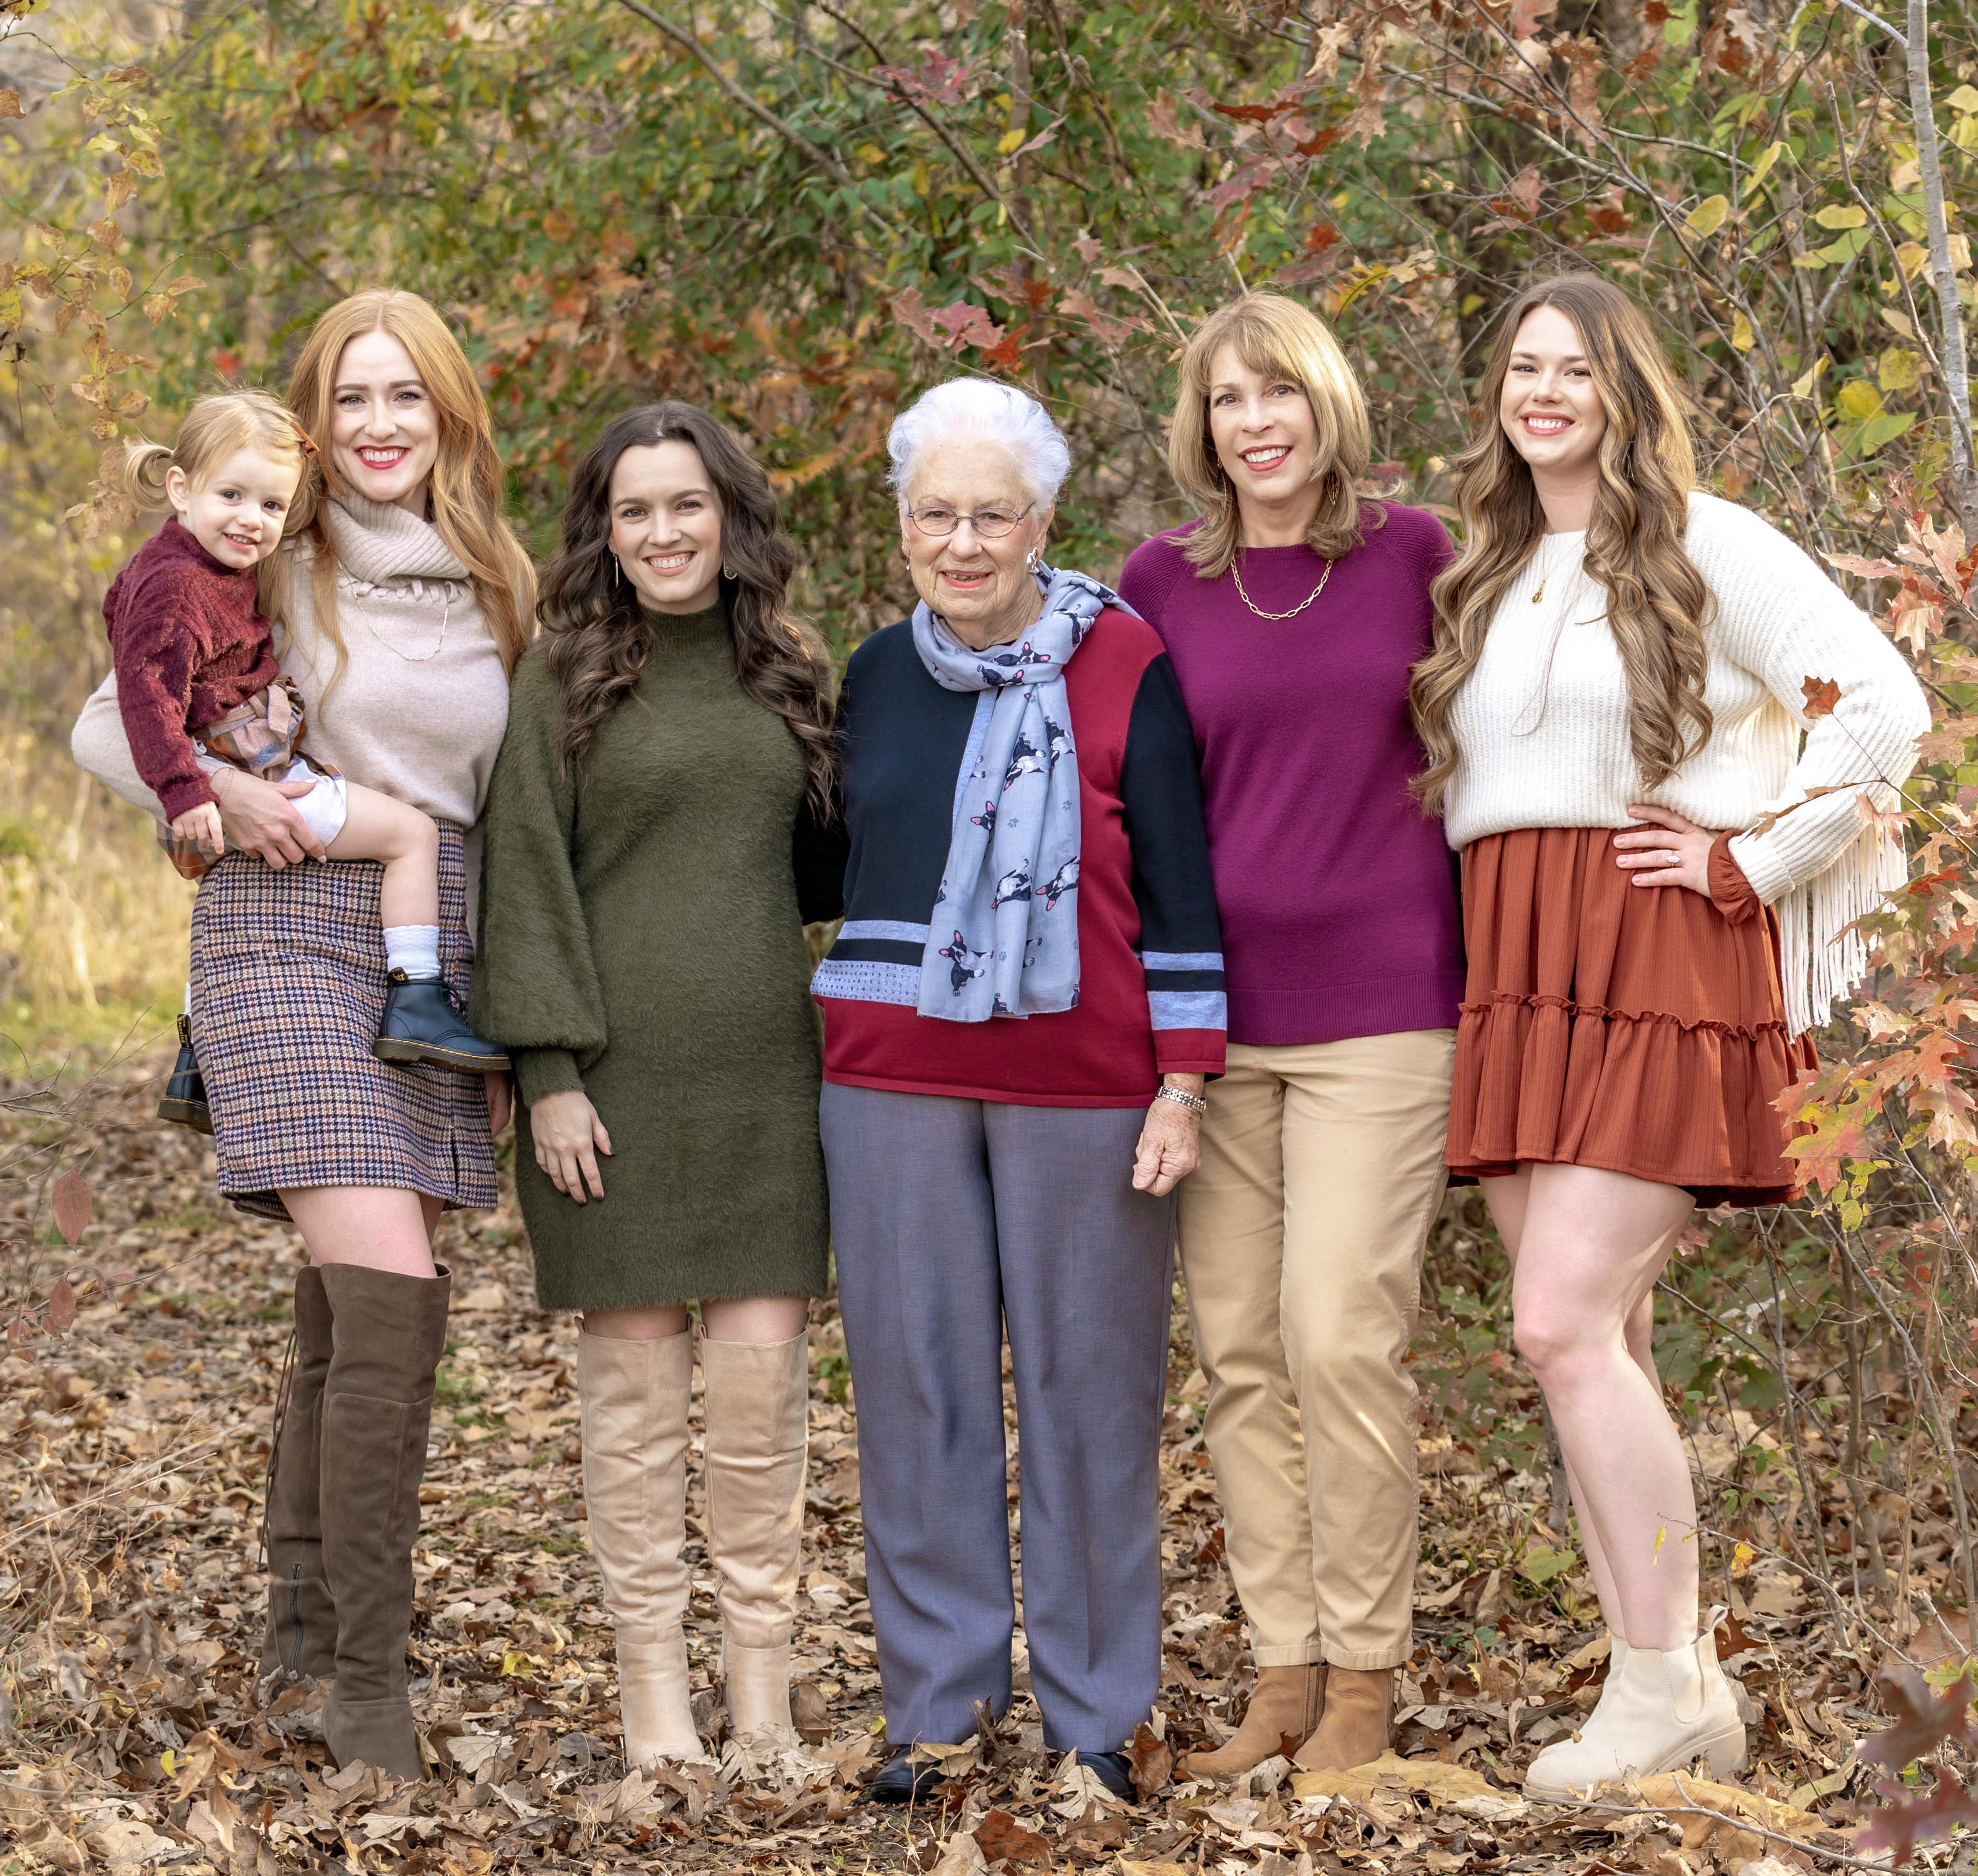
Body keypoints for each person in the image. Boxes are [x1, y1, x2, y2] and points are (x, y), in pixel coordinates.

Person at [1410, 273, 1930, 1795]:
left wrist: (1751, 858)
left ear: (1626, 390)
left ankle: (1655, 1687)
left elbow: (1883, 705)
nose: (1545, 391)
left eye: (1575, 368)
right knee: (1598, 1344)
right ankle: (1680, 1684)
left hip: (1659, 953)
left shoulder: (1708, 540)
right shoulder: (1488, 568)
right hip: (1518, 968)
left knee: (1559, 1322)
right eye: (1524, 367)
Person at [71, 289, 537, 1778]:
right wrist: (218, 791)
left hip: (435, 936)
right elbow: (107, 720)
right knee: (391, 1279)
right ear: (312, 419)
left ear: (449, 413)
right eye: (353, 398)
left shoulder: (497, 578)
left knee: (362, 1298)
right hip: (287, 920)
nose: (381, 425)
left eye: (409, 396)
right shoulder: (271, 550)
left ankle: (295, 1630)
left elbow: (523, 800)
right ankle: (367, 1684)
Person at [815, 378, 1227, 1807]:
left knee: (1089, 1395)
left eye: (995, 514)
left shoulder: (1124, 664)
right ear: (904, 528)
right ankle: (936, 1709)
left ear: (1046, 522)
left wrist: (1185, 1077)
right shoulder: (869, 678)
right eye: (939, 514)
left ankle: (1095, 1716)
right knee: (914, 1393)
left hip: (1083, 1080)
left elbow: (1179, 883)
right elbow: (829, 871)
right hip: (889, 1079)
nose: (966, 542)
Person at [1116, 292, 1462, 1775]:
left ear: (1329, 404)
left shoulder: (1422, 556)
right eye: (1228, 401)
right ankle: (1284, 1677)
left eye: (1281, 393)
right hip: (1211, 1023)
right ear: (1200, 429)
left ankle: (1371, 1688)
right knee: (1243, 1355)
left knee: (1340, 1333)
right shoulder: (1156, 583)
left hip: (1387, 1011)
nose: (1257, 423)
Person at [466, 401, 840, 1773]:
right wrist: (548, 1071)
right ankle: (655, 1718)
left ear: (731, 517)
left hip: (764, 1090)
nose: (664, 531)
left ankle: (759, 1706)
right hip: (610, 1092)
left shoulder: (789, 671)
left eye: (688, 505)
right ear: (604, 533)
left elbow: (827, 875)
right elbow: (524, 877)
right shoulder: (559, 677)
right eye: (636, 511)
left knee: (759, 1415)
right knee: (632, 1423)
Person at [100, 389, 498, 1073]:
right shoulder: (180, 587)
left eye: (272, 506)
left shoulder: (194, 568)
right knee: (413, 836)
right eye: (231, 495)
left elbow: (122, 618)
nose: (252, 521)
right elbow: (142, 697)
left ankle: (199, 1052)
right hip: (246, 773)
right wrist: (195, 789)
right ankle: (419, 997)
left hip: (233, 760)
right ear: (180, 488)